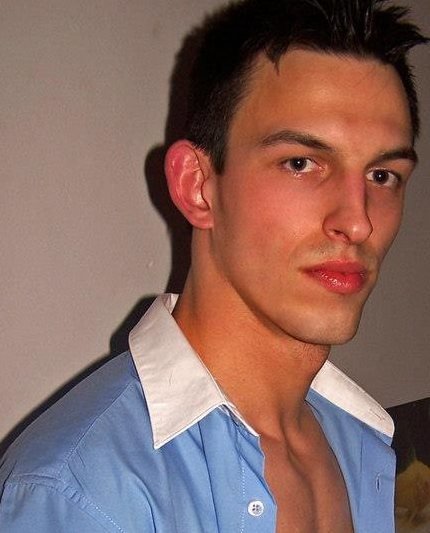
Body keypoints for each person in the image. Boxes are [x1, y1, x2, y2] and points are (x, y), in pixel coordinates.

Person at [0, 0, 427, 531]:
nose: (358, 222)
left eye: (383, 175)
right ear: (197, 186)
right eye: (301, 163)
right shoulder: (79, 496)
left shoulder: (358, 441)